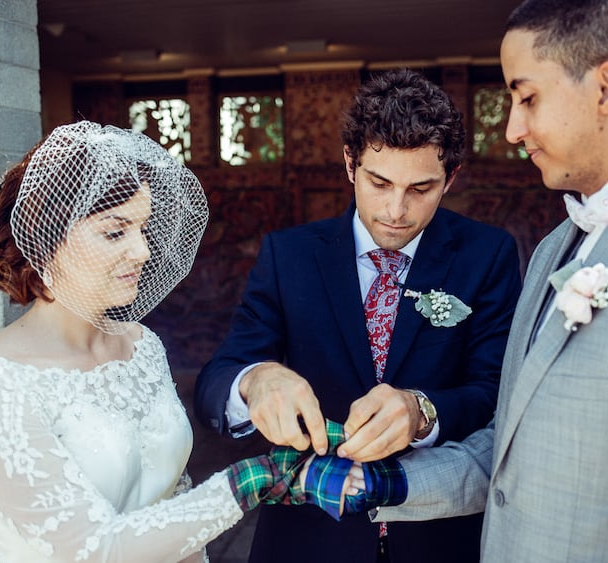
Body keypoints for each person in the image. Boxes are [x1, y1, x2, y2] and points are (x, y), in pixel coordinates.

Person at [368, 1, 608, 561]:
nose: (513, 130)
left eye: (528, 98)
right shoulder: (550, 251)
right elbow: (511, 452)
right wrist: (380, 484)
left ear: (607, 88)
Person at [0, 121, 362, 563]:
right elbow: (92, 551)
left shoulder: (141, 345)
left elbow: (173, 499)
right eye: (115, 232)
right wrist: (250, 482)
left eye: (142, 228)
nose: (142, 251)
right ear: (48, 239)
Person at [194, 69, 523, 563]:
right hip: (309, 537)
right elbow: (215, 382)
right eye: (379, 182)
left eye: (421, 188)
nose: (396, 209)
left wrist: (423, 412)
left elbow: (495, 390)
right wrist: (255, 381)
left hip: (438, 538)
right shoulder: (289, 254)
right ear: (350, 163)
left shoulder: (488, 254)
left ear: (450, 178)